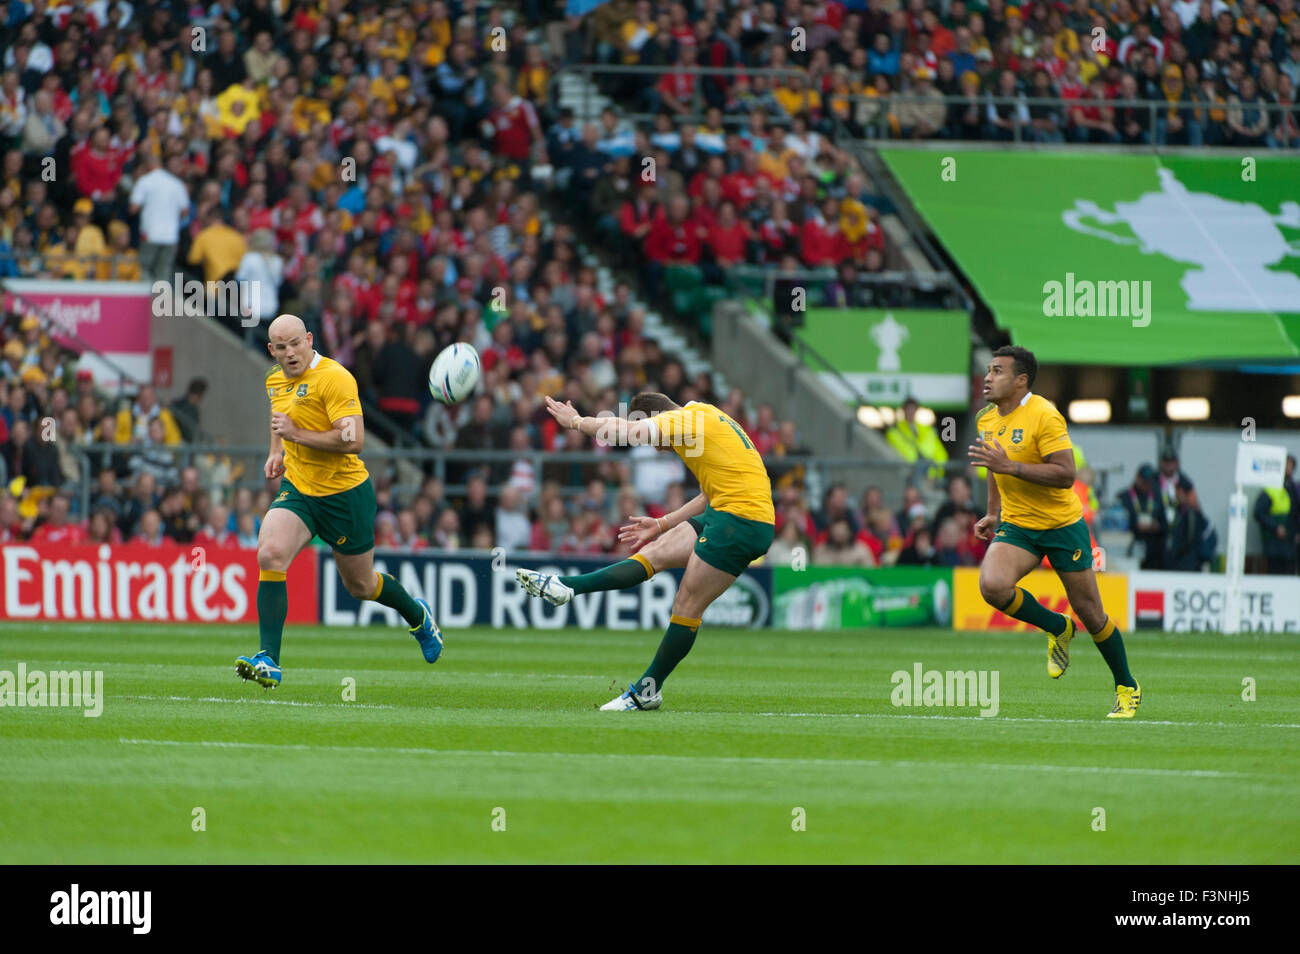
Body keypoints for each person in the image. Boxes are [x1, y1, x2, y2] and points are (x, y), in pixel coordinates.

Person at [515, 391, 775, 710]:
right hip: (729, 511)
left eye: (652, 437)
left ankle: (647, 690)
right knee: (656, 553)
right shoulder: (705, 419)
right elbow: (711, 493)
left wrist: (577, 422)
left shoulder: (683, 421)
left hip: (741, 522)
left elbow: (623, 430)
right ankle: (567, 588)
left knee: (686, 604)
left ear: (654, 419)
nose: (654, 446)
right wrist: (663, 523)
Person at [234, 314, 442, 690]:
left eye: (296, 343)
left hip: (344, 494)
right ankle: (269, 659)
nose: (290, 353)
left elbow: (354, 440)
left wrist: (297, 433)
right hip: (299, 488)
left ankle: (417, 615)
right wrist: (276, 450)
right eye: (281, 348)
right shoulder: (274, 379)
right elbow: (279, 417)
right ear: (271, 350)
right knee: (270, 554)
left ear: (310, 339)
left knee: (361, 585)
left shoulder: (335, 378)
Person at [968, 345, 1141, 718]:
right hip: (1018, 526)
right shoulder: (986, 419)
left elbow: (1065, 475)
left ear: (1020, 380)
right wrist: (993, 512)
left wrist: (1010, 467)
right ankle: (1057, 627)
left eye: (998, 371)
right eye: (988, 370)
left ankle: (1127, 685)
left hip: (1062, 526)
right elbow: (992, 468)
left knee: (1092, 613)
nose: (988, 377)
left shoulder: (1045, 415)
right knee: (992, 587)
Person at [128, 152, 191, 283]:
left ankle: (146, 301)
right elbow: (185, 211)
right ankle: (160, 302)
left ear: (146, 166)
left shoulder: (144, 181)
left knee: (144, 269)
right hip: (170, 236)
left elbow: (133, 208)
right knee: (163, 273)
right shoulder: (177, 183)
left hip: (150, 233)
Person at [885, 396, 948, 481]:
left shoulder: (928, 431)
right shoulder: (894, 432)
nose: (910, 412)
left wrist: (935, 474)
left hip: (928, 474)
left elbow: (941, 454)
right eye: (908, 409)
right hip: (908, 474)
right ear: (903, 410)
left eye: (913, 409)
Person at [1121, 463, 1168, 569]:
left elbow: (1166, 525)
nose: (1147, 485)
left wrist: (1156, 526)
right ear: (1137, 478)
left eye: (1149, 482)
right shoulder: (1125, 497)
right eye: (1144, 481)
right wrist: (1134, 525)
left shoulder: (1158, 497)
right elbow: (1117, 526)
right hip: (1130, 551)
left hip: (1154, 554)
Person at [1254, 454, 1295, 574]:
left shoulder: (1292, 488)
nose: (1289, 469)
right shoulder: (1271, 489)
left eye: (1291, 466)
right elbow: (1258, 513)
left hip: (1290, 544)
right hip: (1274, 544)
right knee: (1276, 573)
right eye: (1287, 465)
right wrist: (1275, 527)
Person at [1168, 477, 1216, 571]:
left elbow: (1188, 541)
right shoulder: (1178, 510)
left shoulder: (1192, 513)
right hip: (1182, 563)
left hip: (1188, 564)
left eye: (1177, 491)